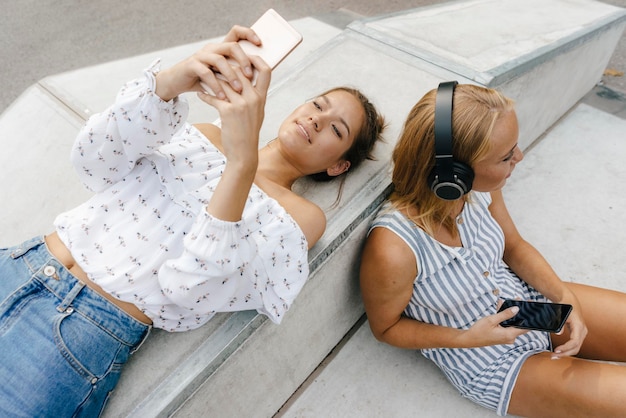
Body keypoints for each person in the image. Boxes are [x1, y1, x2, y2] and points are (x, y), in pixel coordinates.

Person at [0, 25, 386, 417]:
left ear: (338, 165)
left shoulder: (298, 218)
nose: (318, 120)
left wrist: (241, 164)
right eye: (318, 105)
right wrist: (169, 83)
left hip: (82, 329)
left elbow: (188, 286)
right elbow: (96, 164)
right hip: (21, 263)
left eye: (337, 129)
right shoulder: (202, 132)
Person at [360, 81, 626, 417]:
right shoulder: (394, 248)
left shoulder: (476, 190)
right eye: (505, 156)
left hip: (528, 304)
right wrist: (465, 339)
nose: (520, 157)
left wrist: (561, 294)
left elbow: (513, 246)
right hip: (490, 358)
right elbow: (386, 328)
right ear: (454, 174)